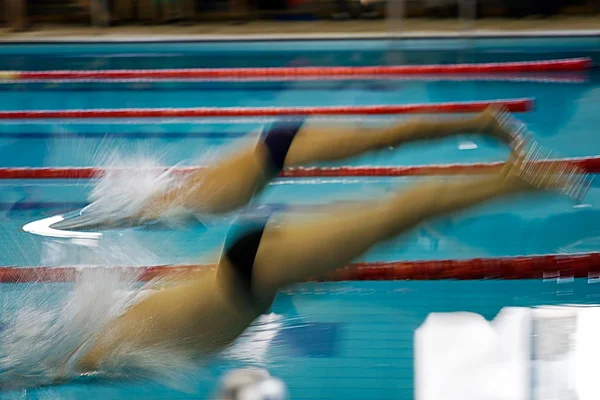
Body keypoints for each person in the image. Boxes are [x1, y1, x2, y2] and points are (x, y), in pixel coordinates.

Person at [64, 137, 589, 379]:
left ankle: (514, 181)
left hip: (252, 273)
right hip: (250, 270)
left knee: (400, 213)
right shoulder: (118, 338)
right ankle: (509, 181)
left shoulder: (105, 354)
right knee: (395, 216)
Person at [51, 105, 519, 231]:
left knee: (383, 138)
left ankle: (479, 121)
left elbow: (118, 215)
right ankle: (477, 123)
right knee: (383, 139)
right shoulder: (180, 195)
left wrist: (85, 222)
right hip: (274, 143)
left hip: (274, 151)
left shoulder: (178, 203)